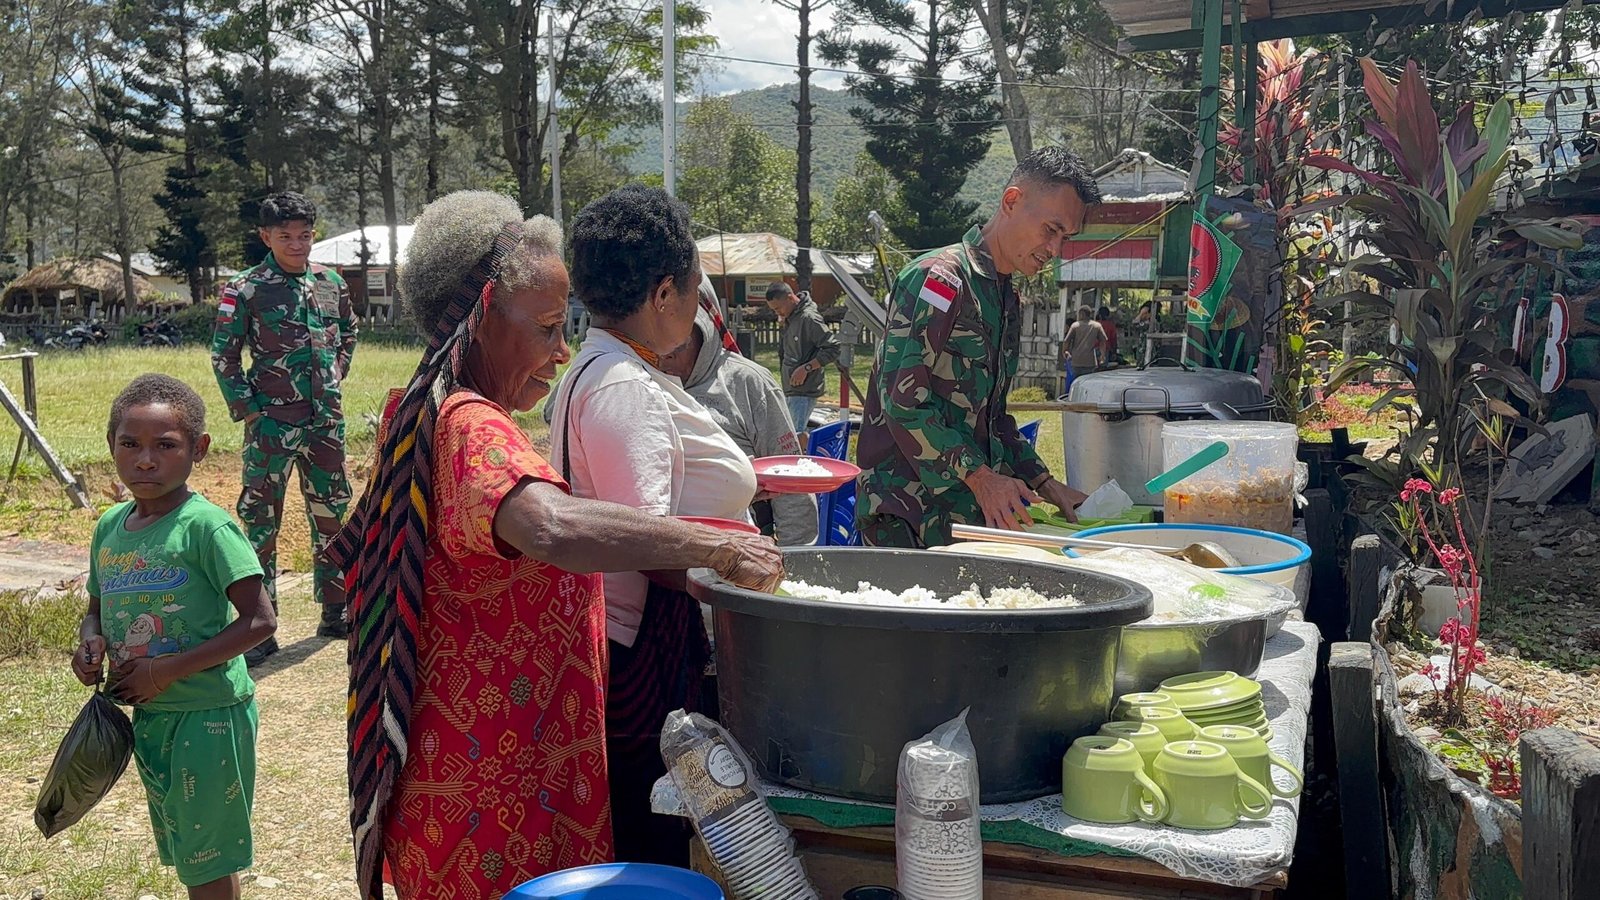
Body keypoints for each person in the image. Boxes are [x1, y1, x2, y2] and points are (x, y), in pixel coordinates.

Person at [326, 190, 783, 900]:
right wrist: (717, 548)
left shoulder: (430, 407)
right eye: (545, 329)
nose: (561, 350)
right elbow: (554, 527)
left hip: (502, 757)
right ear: (480, 319)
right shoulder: (473, 427)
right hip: (491, 781)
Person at [549, 184, 764, 866]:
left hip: (642, 644)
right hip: (647, 656)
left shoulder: (617, 370)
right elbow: (640, 538)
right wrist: (740, 571)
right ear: (665, 293)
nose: (703, 306)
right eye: (699, 288)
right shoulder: (621, 386)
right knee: (658, 838)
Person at [72, 374, 277, 900]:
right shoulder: (109, 528)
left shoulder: (206, 527)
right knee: (189, 848)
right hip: (151, 716)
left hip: (207, 712)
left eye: (165, 446)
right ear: (110, 446)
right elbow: (95, 611)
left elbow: (260, 622)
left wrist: (162, 671)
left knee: (207, 858)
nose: (145, 460)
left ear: (199, 450)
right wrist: (90, 643)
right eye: (130, 444)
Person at [855, 145, 1103, 548]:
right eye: (1051, 230)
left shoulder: (1004, 297)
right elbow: (902, 400)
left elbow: (993, 419)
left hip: (967, 520)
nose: (1055, 251)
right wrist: (981, 478)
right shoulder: (939, 281)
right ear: (1011, 201)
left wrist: (1043, 481)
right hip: (909, 519)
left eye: (1066, 238)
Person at [212, 190, 357, 665]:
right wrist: (251, 411)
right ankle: (258, 627)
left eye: (305, 235)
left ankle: (336, 610)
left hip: (325, 425)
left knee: (334, 515)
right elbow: (224, 356)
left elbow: (349, 333)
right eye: (286, 236)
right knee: (260, 523)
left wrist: (333, 376)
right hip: (271, 425)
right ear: (266, 237)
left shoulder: (331, 282)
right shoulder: (247, 288)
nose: (297, 244)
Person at [660, 281, 819, 546]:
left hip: (741, 551)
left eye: (680, 343)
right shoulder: (640, 381)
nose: (665, 355)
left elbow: (792, 481)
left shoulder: (748, 383)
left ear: (705, 329)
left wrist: (797, 559)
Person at [766, 283, 839, 436]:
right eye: (774, 310)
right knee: (789, 436)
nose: (777, 313)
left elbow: (833, 348)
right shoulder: (791, 317)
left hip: (804, 391)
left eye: (778, 308)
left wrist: (806, 368)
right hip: (791, 389)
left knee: (795, 437)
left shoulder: (809, 318)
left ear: (790, 297)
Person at [1064, 306, 1108, 375]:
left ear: (1082, 314)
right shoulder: (1097, 326)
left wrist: (1065, 351)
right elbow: (1103, 341)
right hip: (1090, 362)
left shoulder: (1075, 326)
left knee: (1076, 381)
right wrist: (1102, 355)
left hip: (1076, 361)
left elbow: (1066, 341)